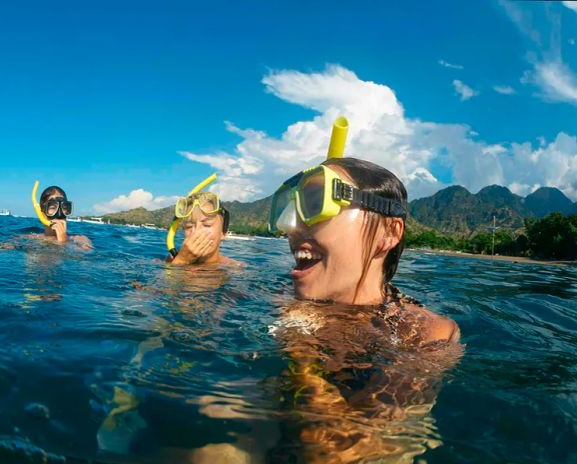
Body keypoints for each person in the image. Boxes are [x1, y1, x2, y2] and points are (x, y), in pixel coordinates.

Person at [268, 156, 462, 462]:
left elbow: (345, 450)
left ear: (389, 233)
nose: (290, 226)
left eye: (317, 203)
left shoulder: (426, 333)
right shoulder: (279, 295)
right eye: (290, 209)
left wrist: (301, 347)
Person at [166, 174, 241, 266]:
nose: (196, 232)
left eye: (207, 225)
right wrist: (181, 260)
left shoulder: (235, 268)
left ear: (223, 232)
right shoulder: (173, 259)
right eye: (189, 226)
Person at [35, 184, 92, 250]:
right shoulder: (32, 238)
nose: (59, 214)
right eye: (53, 208)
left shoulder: (81, 240)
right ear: (42, 213)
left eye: (64, 208)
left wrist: (63, 241)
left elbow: (87, 257)